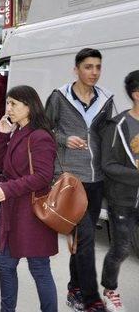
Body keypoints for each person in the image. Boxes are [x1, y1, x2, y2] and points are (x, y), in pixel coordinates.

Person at [45, 48, 114, 312]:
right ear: (76, 69)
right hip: (69, 179)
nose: (94, 72)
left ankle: (74, 288)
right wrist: (63, 139)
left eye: (97, 67)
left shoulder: (106, 99)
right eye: (88, 67)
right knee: (85, 237)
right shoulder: (59, 97)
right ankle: (91, 299)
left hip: (96, 179)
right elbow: (43, 129)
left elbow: (110, 135)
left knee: (82, 240)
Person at [0, 85, 58, 312]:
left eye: (13, 104)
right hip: (13, 212)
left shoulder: (40, 136)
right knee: (6, 264)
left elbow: (43, 177)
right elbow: (1, 165)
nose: (8, 108)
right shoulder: (18, 131)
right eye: (7, 103)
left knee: (39, 267)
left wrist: (8, 189)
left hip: (31, 213)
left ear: (29, 107)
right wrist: (2, 136)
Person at [99, 70, 139, 312]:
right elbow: (108, 166)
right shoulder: (119, 126)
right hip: (123, 199)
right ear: (136, 94)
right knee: (121, 248)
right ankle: (109, 289)